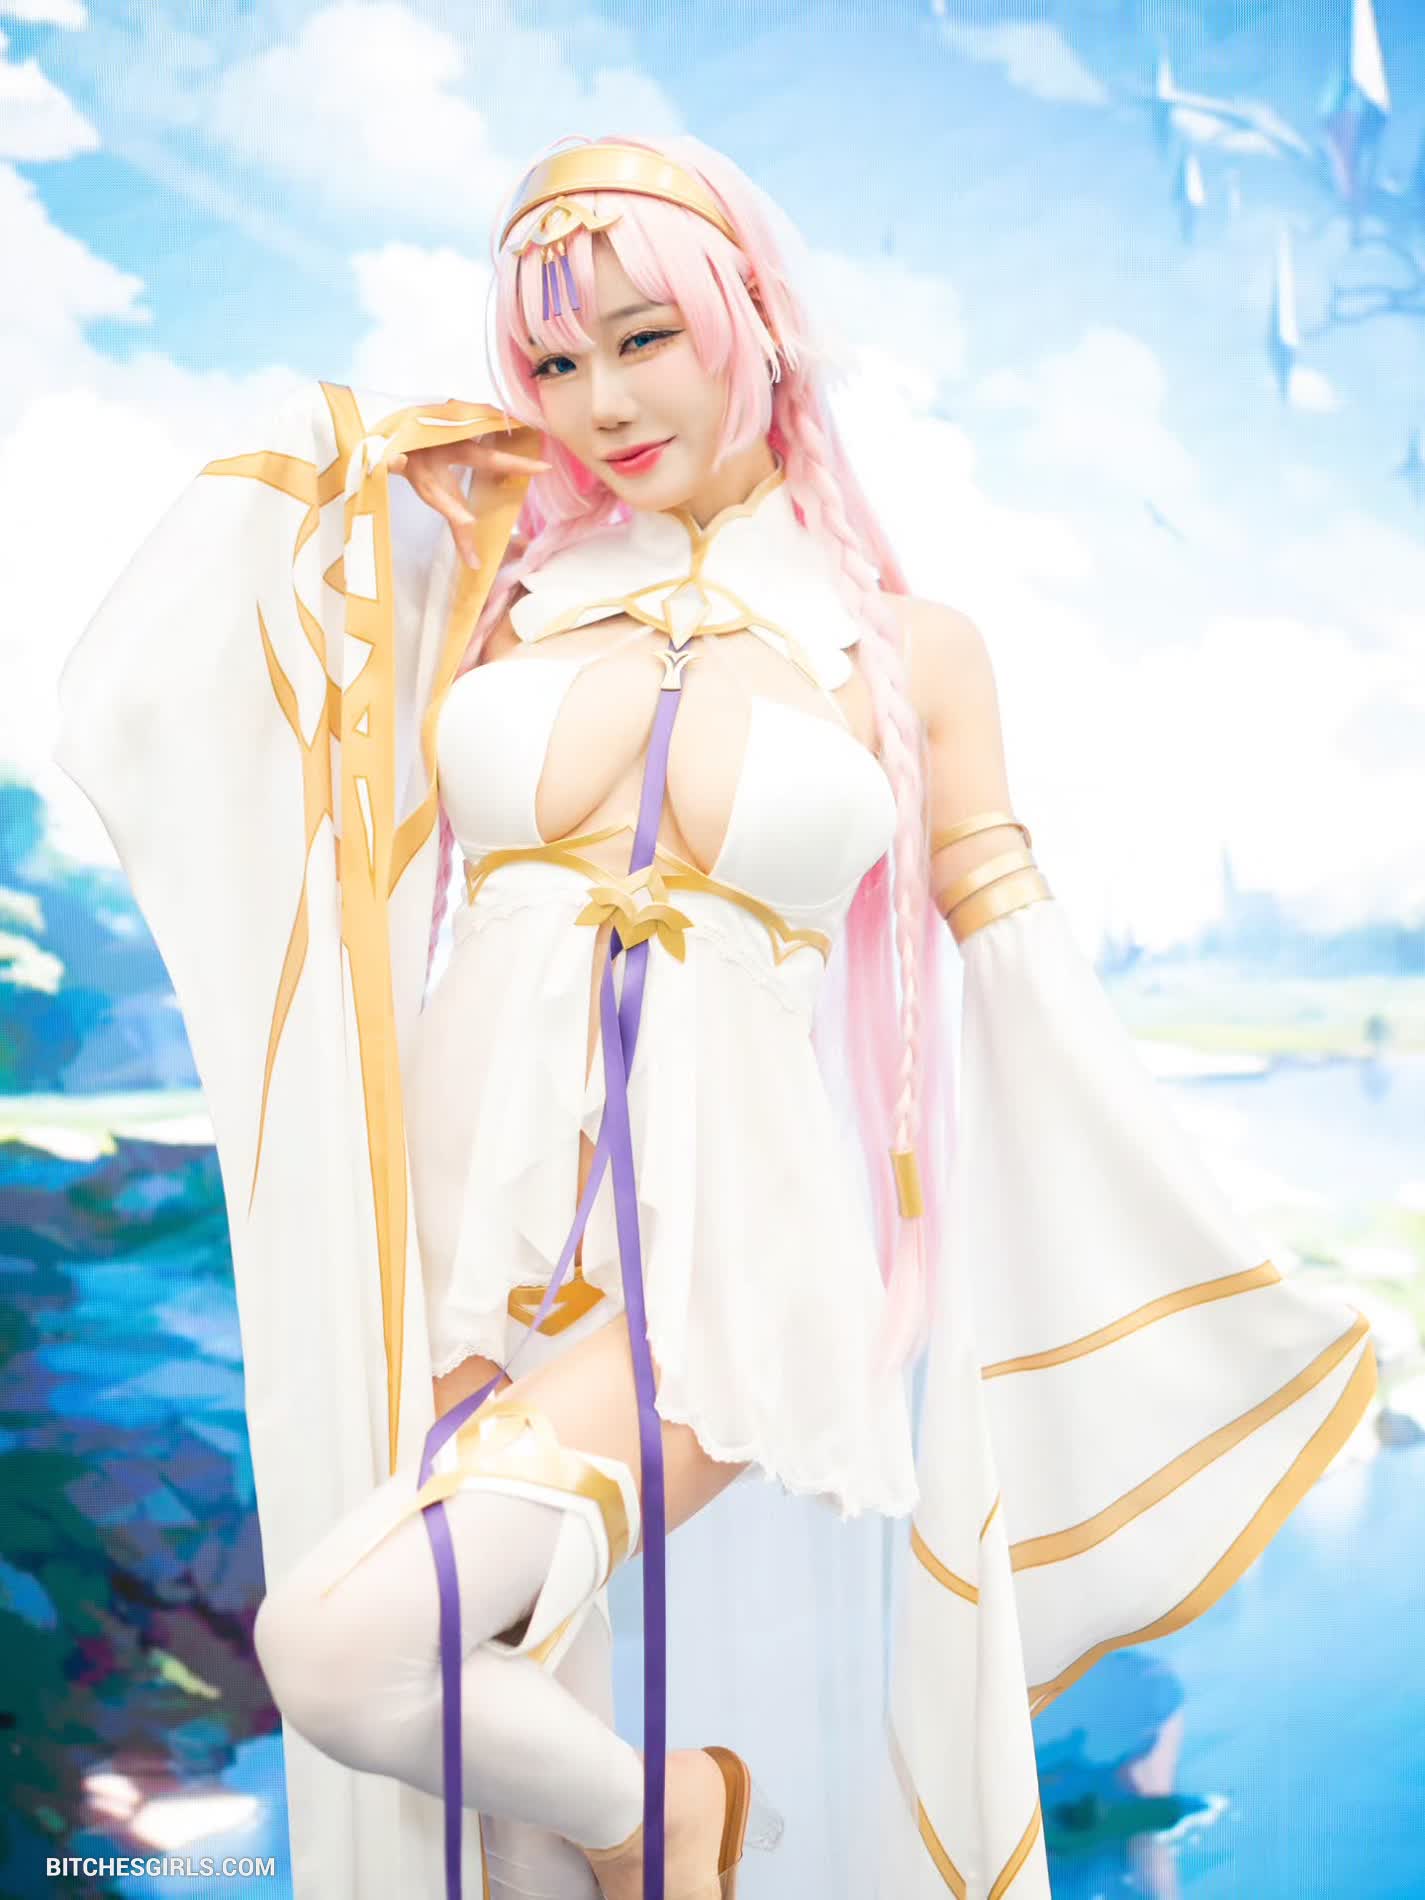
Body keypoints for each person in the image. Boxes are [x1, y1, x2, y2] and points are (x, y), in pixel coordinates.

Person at [52, 132, 1378, 1900]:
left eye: (640, 338)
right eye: (551, 362)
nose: (599, 401)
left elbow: (1022, 983)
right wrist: (349, 467)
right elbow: (214, 702)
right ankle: (635, 1830)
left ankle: (668, 1819)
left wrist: (1203, 1281)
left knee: (347, 1650)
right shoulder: (485, 594)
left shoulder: (909, 651)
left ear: (749, 319)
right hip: (446, 1243)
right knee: (484, 1758)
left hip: (721, 1275)